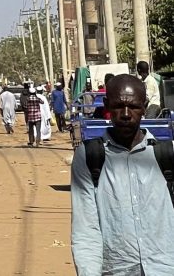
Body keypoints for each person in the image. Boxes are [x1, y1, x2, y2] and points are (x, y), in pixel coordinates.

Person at [71, 74, 174, 275]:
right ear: (107, 106)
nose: (126, 114)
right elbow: (86, 228)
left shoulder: (167, 153)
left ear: (144, 106)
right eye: (118, 106)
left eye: (134, 107)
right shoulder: (90, 156)